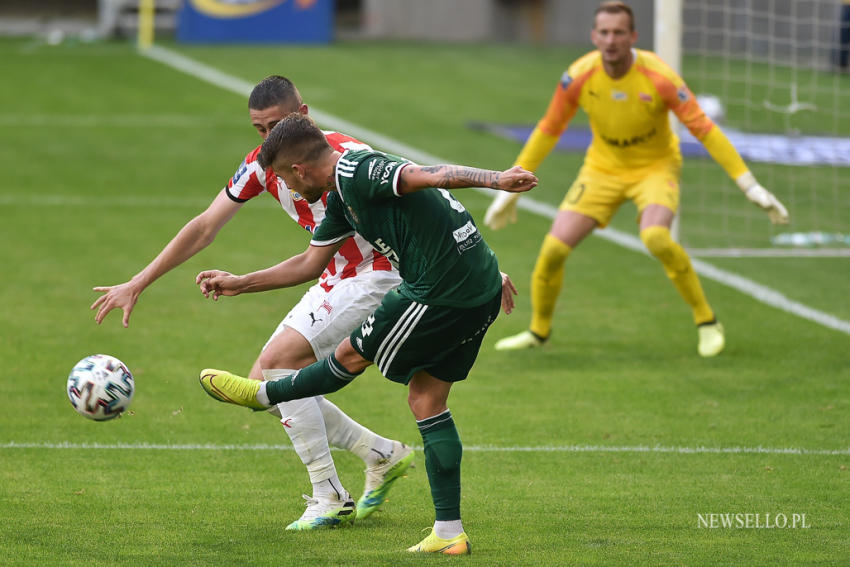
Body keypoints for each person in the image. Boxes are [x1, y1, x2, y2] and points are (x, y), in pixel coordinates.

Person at [194, 112, 536, 554]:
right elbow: (308, 264)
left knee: (349, 358)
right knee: (427, 400)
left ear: (299, 169)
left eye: (285, 179)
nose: (290, 191)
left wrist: (496, 179)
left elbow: (427, 175)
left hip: (439, 292)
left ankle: (264, 395)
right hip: (477, 284)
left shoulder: (357, 169)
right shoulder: (339, 200)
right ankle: (449, 534)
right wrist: (241, 282)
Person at [90, 75, 414, 530]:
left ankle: (328, 494)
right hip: (336, 274)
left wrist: (477, 263)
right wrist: (138, 282)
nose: (268, 141)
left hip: (379, 273)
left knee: (280, 363)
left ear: (303, 116)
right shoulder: (261, 165)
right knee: (265, 386)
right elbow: (206, 226)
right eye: (259, 130)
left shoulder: (348, 155)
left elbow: (417, 186)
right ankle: (379, 454)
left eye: (276, 127)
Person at [484, 1, 790, 357]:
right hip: (602, 168)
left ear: (633, 36)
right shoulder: (579, 75)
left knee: (657, 237)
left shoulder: (659, 77)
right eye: (604, 32)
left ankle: (707, 321)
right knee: (553, 249)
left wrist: (748, 184)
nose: (611, 40)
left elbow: (704, 129)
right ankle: (539, 331)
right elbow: (550, 128)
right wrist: (512, 186)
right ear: (593, 36)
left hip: (655, 167)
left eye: (618, 32)